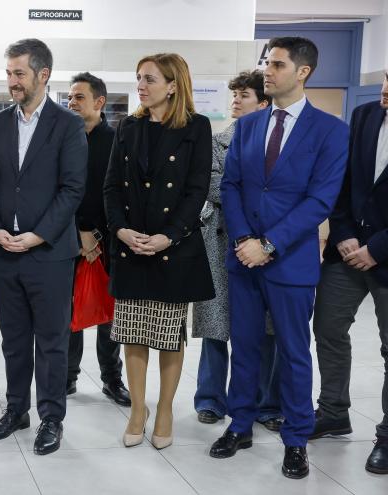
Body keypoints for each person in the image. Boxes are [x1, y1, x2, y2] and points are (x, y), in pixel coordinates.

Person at [212, 37, 349, 480]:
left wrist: (268, 244)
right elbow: (231, 185)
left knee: (293, 352)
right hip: (244, 257)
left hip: (289, 262)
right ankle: (240, 424)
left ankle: (295, 439)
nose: (266, 71)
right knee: (245, 346)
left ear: (302, 71)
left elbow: (320, 200)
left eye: (276, 64)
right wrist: (244, 240)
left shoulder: (330, 130)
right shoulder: (250, 126)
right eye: (266, 63)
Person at [0, 38, 87, 456]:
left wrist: (38, 234)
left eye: (19, 73)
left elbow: (73, 188)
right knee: (14, 339)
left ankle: (51, 418)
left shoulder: (67, 124)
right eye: (8, 73)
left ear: (43, 75)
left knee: (52, 340)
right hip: (5, 251)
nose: (12, 82)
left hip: (49, 254)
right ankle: (16, 409)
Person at [103, 53, 214, 450]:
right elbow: (111, 187)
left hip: (174, 247)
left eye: (149, 78)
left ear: (172, 84)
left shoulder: (196, 128)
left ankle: (164, 409)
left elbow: (196, 190)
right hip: (131, 246)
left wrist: (170, 235)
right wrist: (120, 230)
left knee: (168, 335)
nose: (141, 85)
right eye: (138, 78)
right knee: (132, 334)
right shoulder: (128, 127)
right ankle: (138, 409)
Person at [192, 70, 284, 432]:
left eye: (243, 95)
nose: (235, 100)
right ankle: (211, 399)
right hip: (221, 244)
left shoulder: (280, 144)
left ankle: (266, 403)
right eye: (234, 94)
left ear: (263, 103)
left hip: (269, 247)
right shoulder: (216, 142)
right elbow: (214, 187)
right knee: (217, 328)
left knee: (266, 329)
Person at [310, 69, 388, 475]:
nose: (386, 90)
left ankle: (387, 436)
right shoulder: (364, 115)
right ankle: (333, 412)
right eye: (387, 79)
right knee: (327, 328)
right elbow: (341, 180)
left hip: (384, 255)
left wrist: (377, 248)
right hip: (346, 251)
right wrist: (340, 233)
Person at [64, 72, 130, 406]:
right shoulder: (61, 138)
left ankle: (112, 379)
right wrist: (79, 232)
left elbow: (118, 193)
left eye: (79, 97)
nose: (72, 103)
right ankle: (67, 377)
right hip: (67, 239)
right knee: (68, 312)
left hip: (108, 242)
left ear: (99, 102)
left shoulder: (118, 140)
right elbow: (57, 192)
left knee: (109, 316)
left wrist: (97, 235)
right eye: (70, 97)